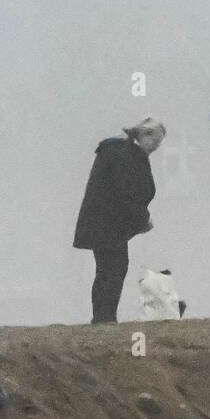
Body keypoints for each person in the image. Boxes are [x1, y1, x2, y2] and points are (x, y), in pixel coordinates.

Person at [73, 117, 165, 323]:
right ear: (145, 135)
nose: (156, 148)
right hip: (108, 224)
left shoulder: (122, 152)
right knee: (112, 269)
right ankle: (104, 318)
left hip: (107, 223)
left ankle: (105, 317)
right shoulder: (123, 154)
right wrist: (143, 218)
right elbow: (126, 193)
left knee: (110, 268)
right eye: (155, 142)